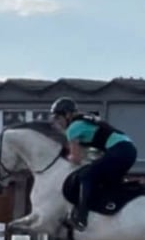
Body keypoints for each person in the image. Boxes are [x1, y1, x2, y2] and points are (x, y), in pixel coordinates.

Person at [50, 96, 137, 231]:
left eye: (58, 118)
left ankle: (81, 217)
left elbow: (77, 159)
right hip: (127, 150)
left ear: (67, 115)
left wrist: (64, 158)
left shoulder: (73, 128)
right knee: (101, 177)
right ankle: (111, 204)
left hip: (119, 150)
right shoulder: (84, 121)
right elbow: (89, 154)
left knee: (86, 175)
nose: (57, 123)